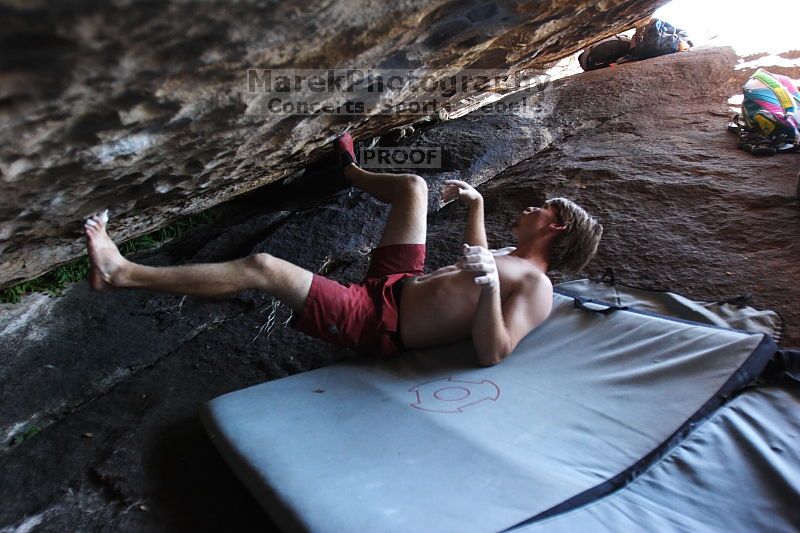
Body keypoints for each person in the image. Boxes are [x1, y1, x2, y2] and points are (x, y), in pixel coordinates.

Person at [84, 134, 602, 366]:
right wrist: (475, 207)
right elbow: (478, 264)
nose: (533, 208)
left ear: (556, 228)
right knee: (414, 188)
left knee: (261, 267)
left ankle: (121, 272)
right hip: (399, 281)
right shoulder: (513, 253)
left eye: (542, 209)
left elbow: (496, 353)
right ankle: (348, 171)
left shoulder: (539, 286)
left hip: (378, 320)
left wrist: (490, 291)